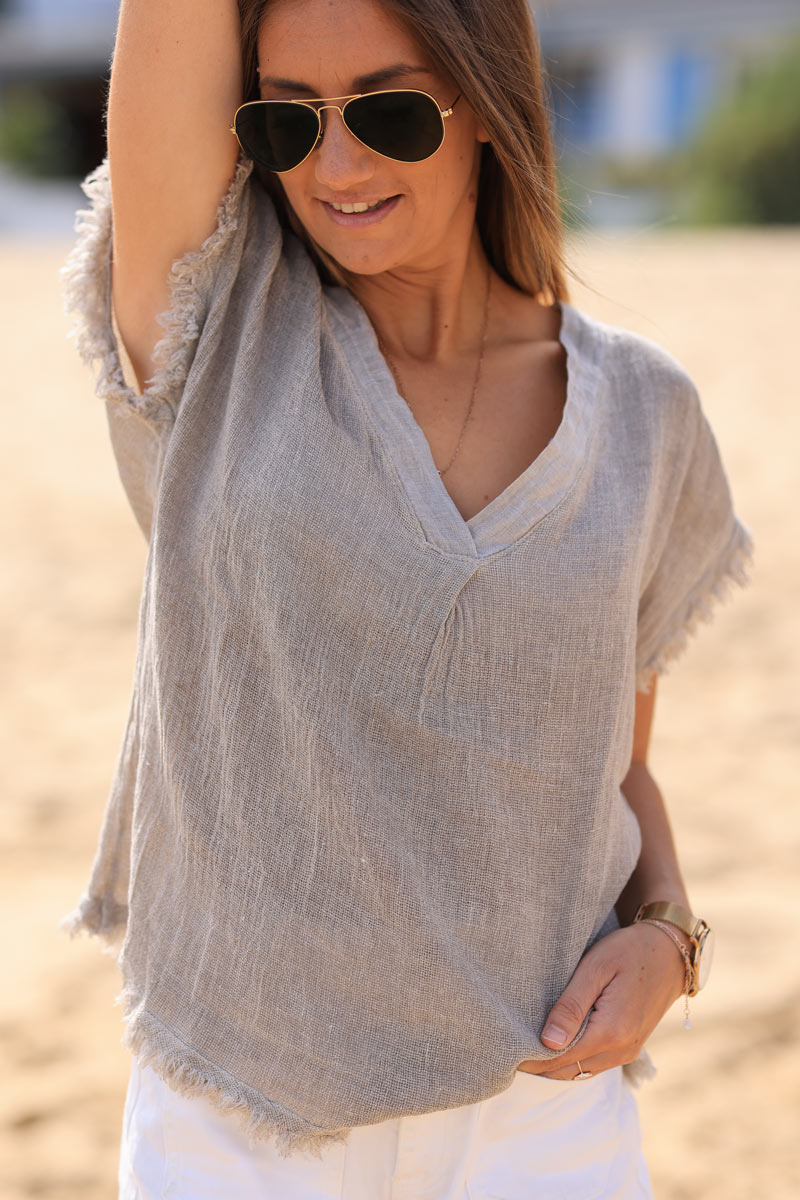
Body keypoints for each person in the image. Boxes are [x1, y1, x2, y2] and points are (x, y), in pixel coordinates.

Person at [62, 0, 753, 1196]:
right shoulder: (219, 331)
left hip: (541, 1109)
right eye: (288, 123)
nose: (334, 166)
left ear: (485, 106)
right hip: (239, 1107)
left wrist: (666, 938)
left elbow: (611, 767)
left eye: (384, 111)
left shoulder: (645, 418)